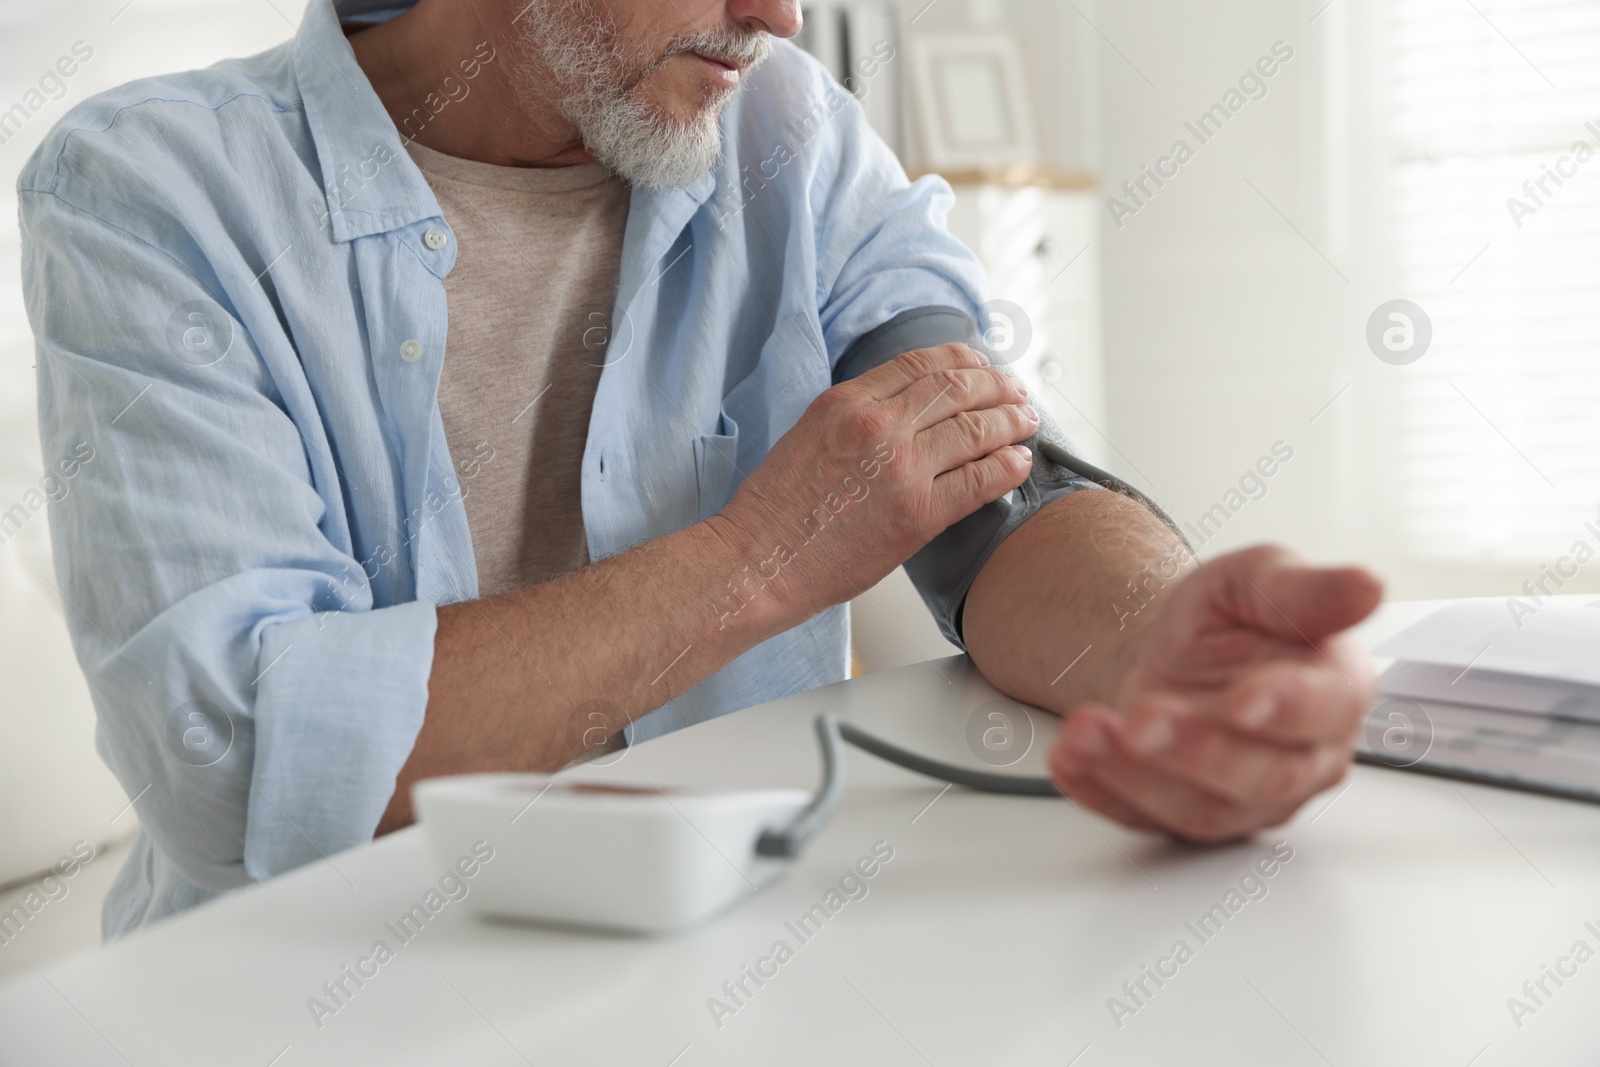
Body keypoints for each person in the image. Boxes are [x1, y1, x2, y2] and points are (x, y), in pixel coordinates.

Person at [18, 0, 1381, 937]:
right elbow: (236, 759)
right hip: (296, 1000)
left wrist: (1172, 657)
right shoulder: (152, 188)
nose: (781, 12)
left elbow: (997, 488)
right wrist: (761, 559)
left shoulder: (789, 134)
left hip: (726, 962)